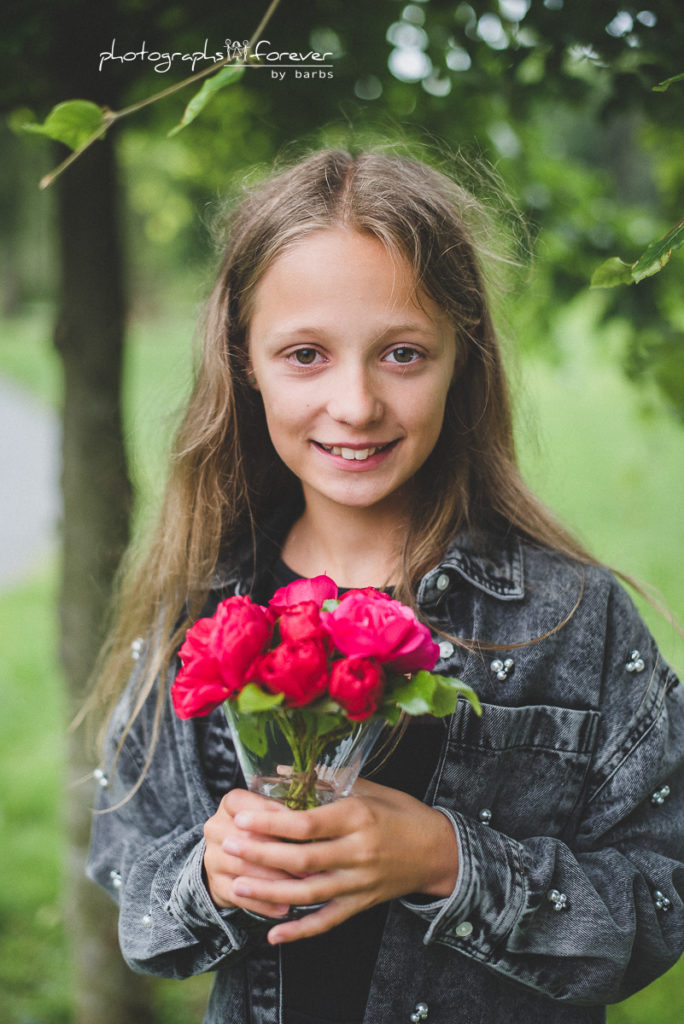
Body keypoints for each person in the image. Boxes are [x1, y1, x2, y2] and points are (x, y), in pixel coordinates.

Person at [86, 148, 684, 1024]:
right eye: (305, 355)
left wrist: (446, 861)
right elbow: (129, 879)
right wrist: (211, 875)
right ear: (243, 360)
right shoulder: (200, 613)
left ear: (462, 356)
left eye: (402, 353)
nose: (356, 403)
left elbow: (663, 896)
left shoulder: (575, 621)